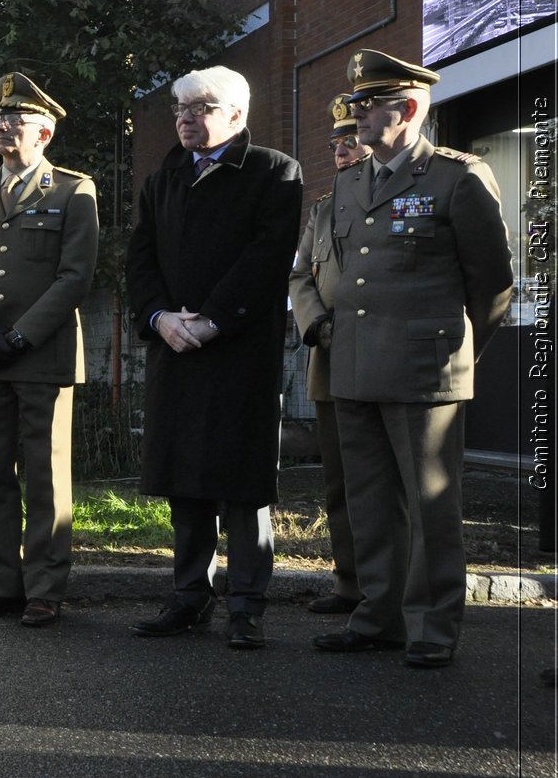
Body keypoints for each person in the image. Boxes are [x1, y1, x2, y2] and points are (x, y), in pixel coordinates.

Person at [312, 49, 513, 669]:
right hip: (354, 366)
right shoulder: (348, 182)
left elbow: (493, 284)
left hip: (426, 368)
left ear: (410, 108)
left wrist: (458, 354)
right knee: (370, 500)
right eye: (356, 103)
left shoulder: (458, 176)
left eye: (369, 104)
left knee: (431, 506)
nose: (356, 113)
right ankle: (379, 616)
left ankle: (432, 625)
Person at [125, 65, 302, 649]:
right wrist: (160, 319)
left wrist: (213, 320)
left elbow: (267, 257)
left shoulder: (273, 172)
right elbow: (140, 262)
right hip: (175, 347)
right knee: (186, 482)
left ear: (236, 114)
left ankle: (247, 605)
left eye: (200, 107)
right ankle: (188, 597)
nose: (185, 118)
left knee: (244, 484)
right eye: (180, 107)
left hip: (238, 352)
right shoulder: (163, 178)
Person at [0, 72, 98, 627]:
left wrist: (20, 336)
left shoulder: (73, 191)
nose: (6, 129)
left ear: (46, 133)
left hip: (41, 357)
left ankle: (45, 589)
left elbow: (75, 277)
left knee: (44, 477)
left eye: (19, 122)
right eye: (0, 121)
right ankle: (0, 584)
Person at [288, 98, 371, 615]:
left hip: (386, 356)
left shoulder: (397, 195)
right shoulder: (321, 210)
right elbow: (299, 275)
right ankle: (350, 583)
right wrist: (315, 322)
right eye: (335, 145)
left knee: (388, 481)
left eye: (351, 141)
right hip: (332, 357)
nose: (342, 152)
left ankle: (397, 589)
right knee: (339, 480)